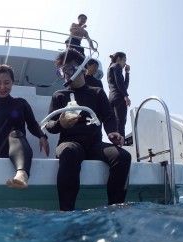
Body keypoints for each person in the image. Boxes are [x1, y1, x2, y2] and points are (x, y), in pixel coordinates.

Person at [44, 48, 131, 211]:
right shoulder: (59, 95)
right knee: (69, 152)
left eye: (69, 68)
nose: (66, 74)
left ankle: (115, 209)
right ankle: (66, 212)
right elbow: (49, 125)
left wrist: (113, 132)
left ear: (82, 67)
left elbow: (109, 116)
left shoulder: (97, 92)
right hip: (69, 143)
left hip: (94, 144)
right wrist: (61, 124)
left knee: (123, 157)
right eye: (62, 71)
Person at [107, 51, 131, 139]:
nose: (125, 63)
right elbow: (119, 82)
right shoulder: (116, 66)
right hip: (119, 97)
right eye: (124, 60)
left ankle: (116, 143)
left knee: (115, 124)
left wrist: (127, 73)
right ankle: (122, 145)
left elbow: (124, 86)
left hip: (111, 98)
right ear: (118, 59)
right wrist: (126, 96)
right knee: (121, 123)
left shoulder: (110, 68)